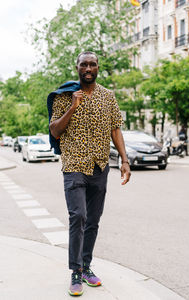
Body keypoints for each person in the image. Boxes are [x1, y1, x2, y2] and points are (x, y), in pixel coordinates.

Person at [49, 51, 131, 296]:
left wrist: (125, 160)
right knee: (79, 217)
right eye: (83, 64)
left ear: (97, 67)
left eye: (92, 64)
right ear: (77, 67)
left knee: (93, 221)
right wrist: (73, 106)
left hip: (100, 166)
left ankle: (86, 266)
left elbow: (115, 129)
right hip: (74, 165)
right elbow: (54, 130)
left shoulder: (108, 96)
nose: (88, 68)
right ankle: (75, 270)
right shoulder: (64, 96)